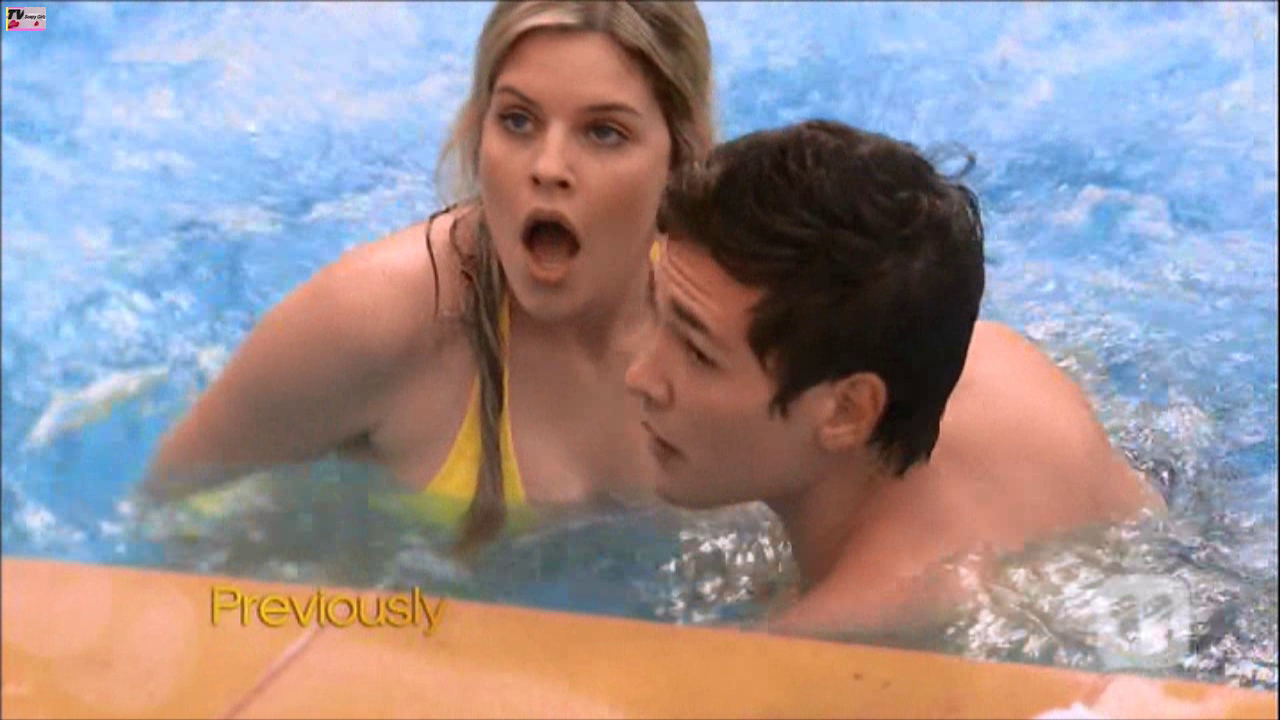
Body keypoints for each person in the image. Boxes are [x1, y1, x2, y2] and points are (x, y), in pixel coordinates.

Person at [143, 1, 716, 553]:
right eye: (517, 120)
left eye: (604, 132)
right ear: (478, 131)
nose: (547, 167)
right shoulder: (370, 321)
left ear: (681, 158)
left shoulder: (736, 330)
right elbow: (158, 519)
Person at [625, 119, 1167, 636]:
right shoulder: (987, 354)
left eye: (697, 352)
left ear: (847, 411)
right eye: (656, 310)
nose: (639, 375)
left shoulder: (864, 624)